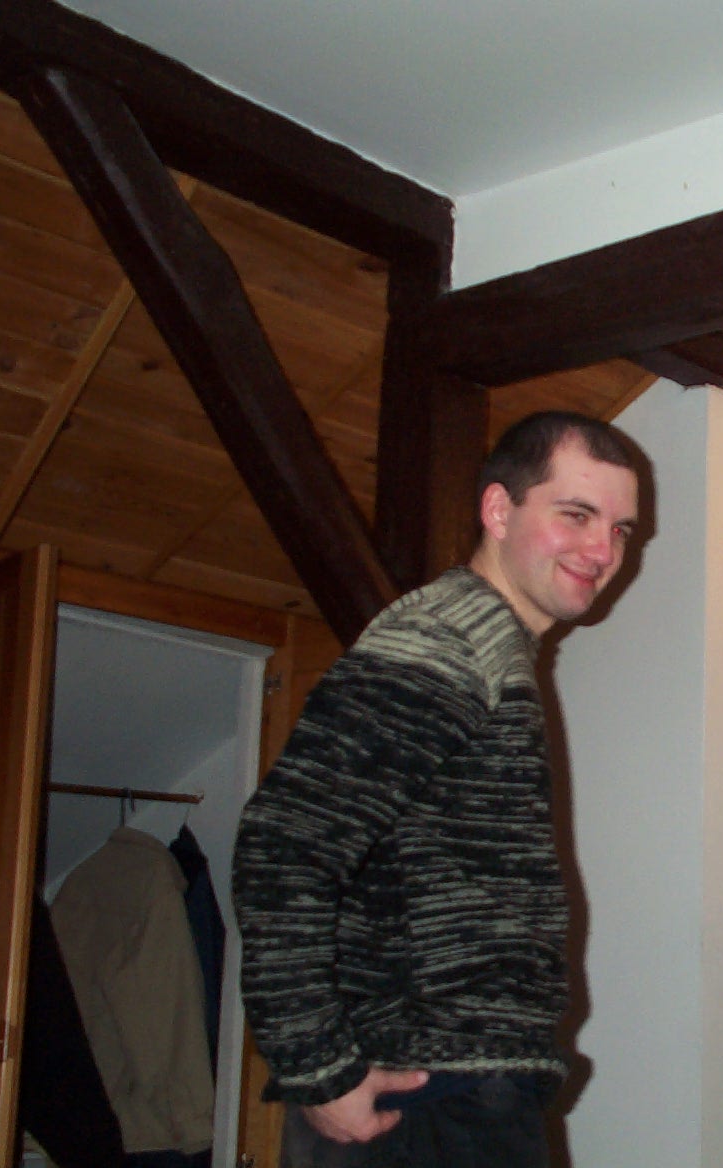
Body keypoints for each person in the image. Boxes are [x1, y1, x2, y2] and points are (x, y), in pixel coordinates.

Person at [233, 411, 643, 1167]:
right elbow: (284, 844)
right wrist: (318, 1066)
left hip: (455, 1089)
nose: (603, 550)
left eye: (620, 529)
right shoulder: (445, 641)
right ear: (498, 510)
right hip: (422, 1098)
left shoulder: (489, 645)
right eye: (576, 515)